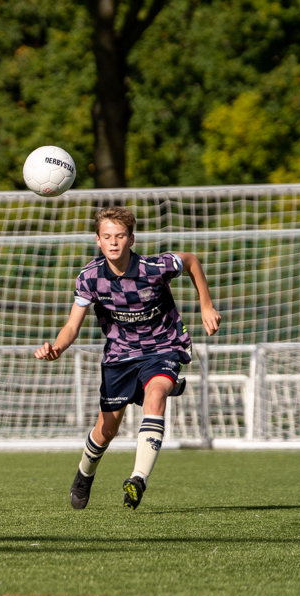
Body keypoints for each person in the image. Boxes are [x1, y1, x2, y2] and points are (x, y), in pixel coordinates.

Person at [35, 207, 220, 510]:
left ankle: (138, 479)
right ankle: (84, 473)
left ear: (131, 238)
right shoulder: (90, 278)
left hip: (163, 347)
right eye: (107, 236)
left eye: (120, 236)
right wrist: (56, 348)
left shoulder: (154, 267)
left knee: (156, 394)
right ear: (97, 240)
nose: (114, 242)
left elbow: (190, 261)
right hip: (120, 355)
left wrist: (206, 305)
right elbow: (71, 326)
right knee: (107, 430)